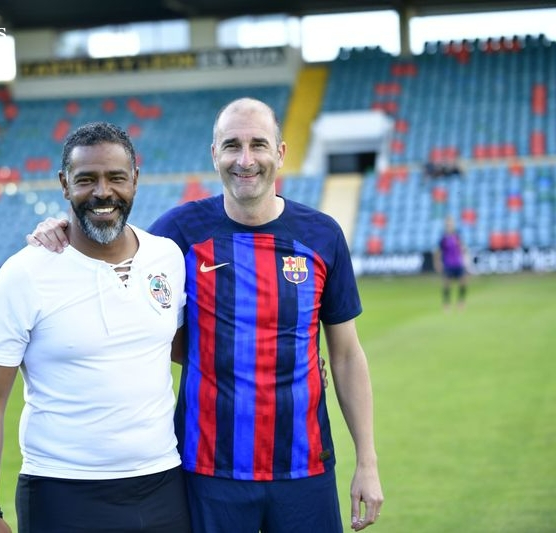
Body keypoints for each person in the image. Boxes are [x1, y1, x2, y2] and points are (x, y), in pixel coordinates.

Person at [28, 98, 384, 532]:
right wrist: (61, 229)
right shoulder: (176, 234)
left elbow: (346, 355)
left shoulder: (321, 234)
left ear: (281, 153)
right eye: (232, 145)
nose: (246, 159)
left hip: (304, 469)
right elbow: (109, 251)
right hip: (207, 471)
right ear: (214, 154)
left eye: (258, 145)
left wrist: (367, 461)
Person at [0, 122, 191, 533]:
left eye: (116, 178)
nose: (103, 192)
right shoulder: (24, 275)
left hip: (163, 485)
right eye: (86, 179)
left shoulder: (167, 258)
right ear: (64, 185)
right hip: (63, 491)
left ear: (135, 181)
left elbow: (181, 349)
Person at [434, 215, 468, 310]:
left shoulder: (457, 236)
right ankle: (446, 303)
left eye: (451, 223)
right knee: (446, 284)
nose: (450, 225)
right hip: (448, 264)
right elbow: (438, 251)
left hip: (458, 263)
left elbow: (463, 248)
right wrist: (437, 262)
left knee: (463, 282)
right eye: (448, 223)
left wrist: (465, 258)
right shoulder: (443, 238)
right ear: (446, 225)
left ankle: (461, 302)